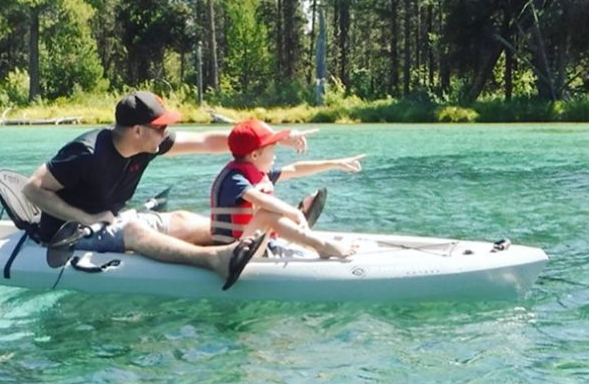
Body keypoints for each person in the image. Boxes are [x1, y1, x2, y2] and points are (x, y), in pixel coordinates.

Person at [22, 91, 310, 289]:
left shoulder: (149, 144)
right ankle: (217, 260)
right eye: (160, 128)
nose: (165, 133)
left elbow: (208, 143)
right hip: (69, 233)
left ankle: (257, 240)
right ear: (137, 130)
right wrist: (87, 218)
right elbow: (32, 189)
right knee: (134, 231)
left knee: (185, 219)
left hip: (110, 219)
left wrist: (272, 140)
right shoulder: (86, 152)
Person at [211, 118, 363, 260]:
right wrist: (294, 213)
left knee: (274, 213)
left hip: (257, 245)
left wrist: (335, 163)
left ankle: (301, 239)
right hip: (232, 254)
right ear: (255, 155)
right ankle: (320, 246)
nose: (275, 157)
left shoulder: (259, 174)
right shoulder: (233, 179)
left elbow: (295, 169)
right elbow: (260, 200)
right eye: (272, 151)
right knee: (266, 214)